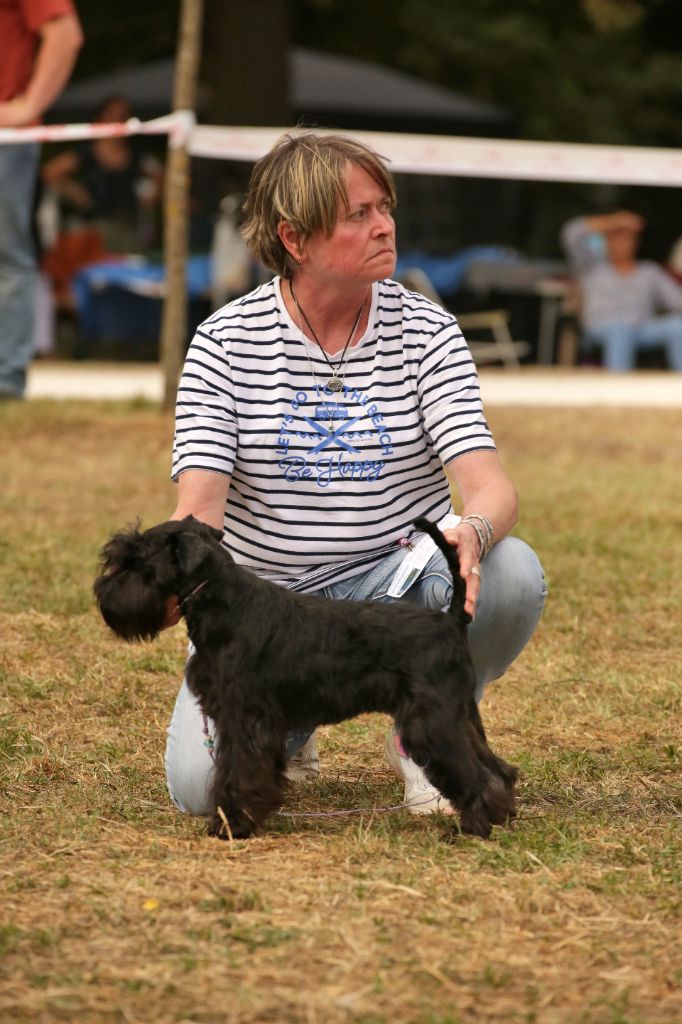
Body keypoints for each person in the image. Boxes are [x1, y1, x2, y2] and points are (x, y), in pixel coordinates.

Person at [164, 131, 547, 818]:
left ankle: (424, 734)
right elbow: (201, 512)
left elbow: (490, 485)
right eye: (359, 214)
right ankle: (293, 724)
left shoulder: (429, 330)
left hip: (393, 582)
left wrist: (477, 530)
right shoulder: (224, 342)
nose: (384, 226)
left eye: (385, 207)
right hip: (268, 611)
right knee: (200, 796)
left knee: (512, 574)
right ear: (295, 237)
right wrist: (163, 576)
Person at [0, 0, 83, 399]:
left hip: (6, 140)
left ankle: (5, 384)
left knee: (8, 259)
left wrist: (29, 106)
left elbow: (65, 33)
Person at [41, 94, 163, 255]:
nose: (118, 120)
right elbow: (49, 172)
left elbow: (159, 173)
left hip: (128, 227)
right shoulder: (86, 153)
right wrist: (73, 191)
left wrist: (152, 195)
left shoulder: (137, 153)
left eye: (123, 116)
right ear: (100, 118)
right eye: (112, 115)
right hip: (93, 227)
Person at [561, 211, 682, 372]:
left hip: (643, 328)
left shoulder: (649, 271)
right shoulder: (592, 267)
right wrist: (613, 221)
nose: (622, 243)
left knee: (676, 326)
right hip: (602, 328)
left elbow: (677, 300)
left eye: (628, 238)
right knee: (620, 330)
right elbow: (571, 233)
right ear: (607, 241)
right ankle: (618, 389)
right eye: (617, 238)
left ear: (636, 242)